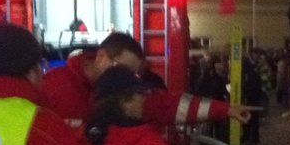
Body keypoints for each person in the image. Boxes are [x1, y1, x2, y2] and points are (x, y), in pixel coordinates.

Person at [42, 31, 251, 131]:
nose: (127, 79)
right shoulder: (55, 87)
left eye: (133, 74)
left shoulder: (126, 95)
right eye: (122, 68)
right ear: (101, 56)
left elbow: (167, 105)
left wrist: (226, 109)